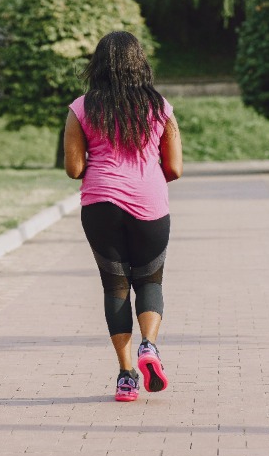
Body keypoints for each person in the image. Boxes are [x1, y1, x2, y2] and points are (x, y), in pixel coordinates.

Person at [63, 31, 183, 402]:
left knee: (115, 285)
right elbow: (175, 167)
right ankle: (150, 346)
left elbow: (73, 167)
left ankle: (126, 375)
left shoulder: (81, 108)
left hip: (100, 205)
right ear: (140, 63)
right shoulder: (160, 107)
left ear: (97, 65)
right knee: (150, 281)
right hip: (149, 202)